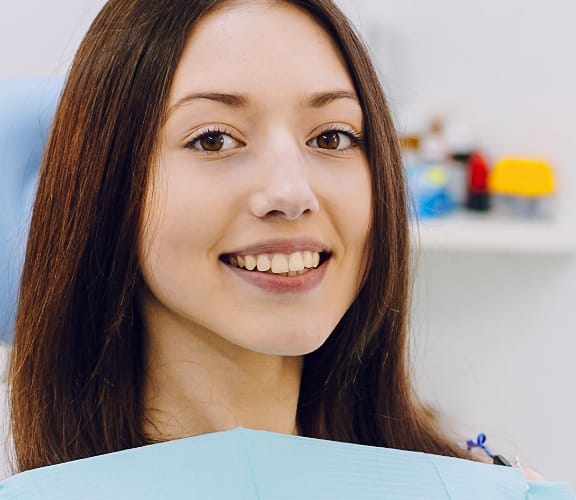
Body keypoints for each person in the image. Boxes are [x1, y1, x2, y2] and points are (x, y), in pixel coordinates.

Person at [5, 0, 473, 476]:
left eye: (331, 137)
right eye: (214, 139)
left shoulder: (479, 486)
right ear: (107, 183)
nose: (292, 193)